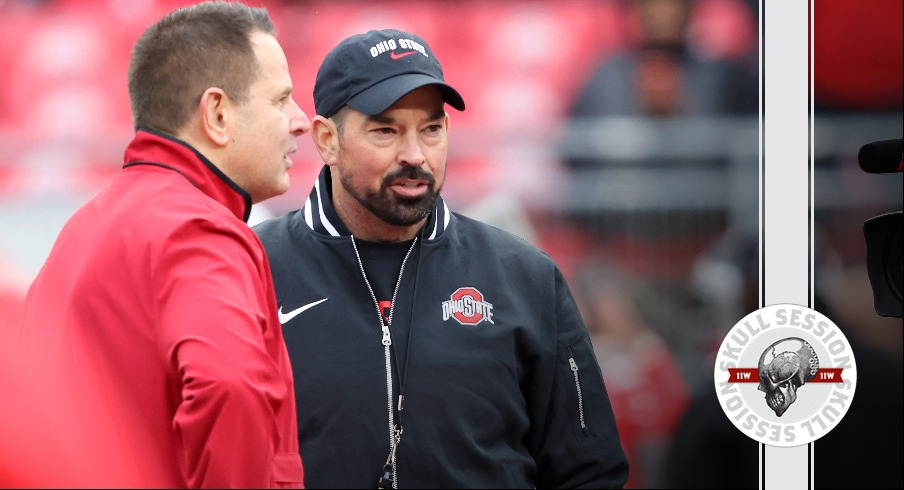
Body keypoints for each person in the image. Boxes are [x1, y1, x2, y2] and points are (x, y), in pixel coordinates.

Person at [253, 28, 629, 489]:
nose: (415, 155)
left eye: (431, 129)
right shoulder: (254, 268)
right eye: (386, 130)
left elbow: (589, 469)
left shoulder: (524, 276)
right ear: (327, 140)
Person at [12, 2, 310, 487]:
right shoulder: (195, 228)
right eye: (280, 100)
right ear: (216, 114)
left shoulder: (84, 228)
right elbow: (228, 384)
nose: (300, 121)